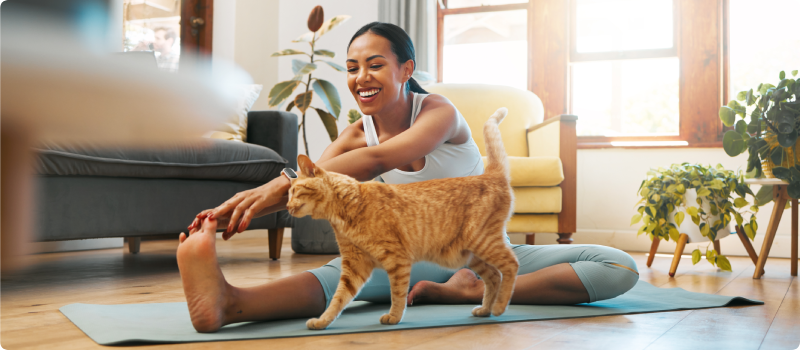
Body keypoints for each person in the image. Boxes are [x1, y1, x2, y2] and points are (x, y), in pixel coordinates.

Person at [177, 22, 639, 333]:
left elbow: (381, 160)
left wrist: (274, 183)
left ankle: (470, 288)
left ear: (406, 70)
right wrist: (236, 209)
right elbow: (312, 185)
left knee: (618, 267)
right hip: (403, 254)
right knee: (342, 275)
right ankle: (229, 302)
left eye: (375, 64)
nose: (361, 78)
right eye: (352, 68)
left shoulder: (439, 113)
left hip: (480, 250)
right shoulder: (355, 134)